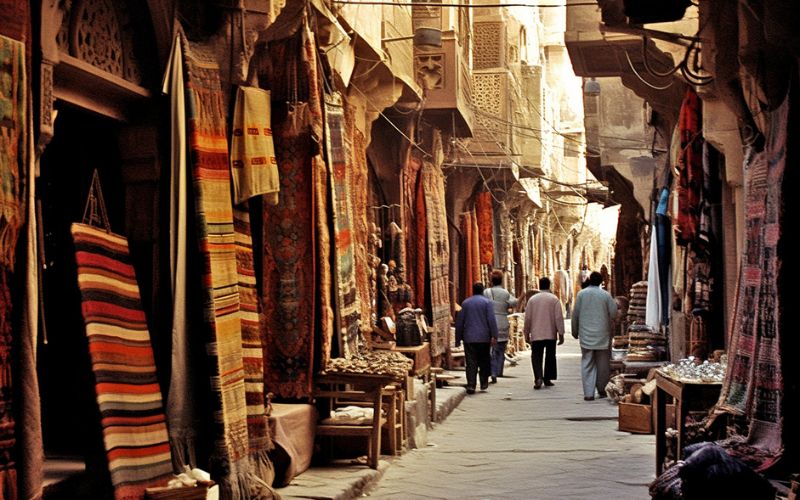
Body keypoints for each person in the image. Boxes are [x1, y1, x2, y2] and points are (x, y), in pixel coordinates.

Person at [571, 271, 618, 401]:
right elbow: (614, 313)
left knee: (587, 362)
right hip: (602, 335)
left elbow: (575, 315)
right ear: (601, 281)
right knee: (603, 364)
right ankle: (602, 389)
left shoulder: (581, 295)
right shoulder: (605, 295)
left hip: (586, 335)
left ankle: (588, 393)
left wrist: (575, 332)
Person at [455, 282, 499, 394]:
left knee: (471, 362)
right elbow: (491, 320)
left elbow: (460, 322)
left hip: (469, 338)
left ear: (473, 290)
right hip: (484, 338)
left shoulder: (465, 303)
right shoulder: (487, 303)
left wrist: (457, 339)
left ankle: (471, 385)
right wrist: (494, 335)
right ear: (483, 291)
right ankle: (484, 382)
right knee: (484, 360)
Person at [523, 277, 565, 390]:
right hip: (550, 333)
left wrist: (526, 333)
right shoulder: (554, 299)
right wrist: (561, 333)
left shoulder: (532, 300)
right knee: (550, 356)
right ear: (549, 285)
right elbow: (558, 318)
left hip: (536, 333)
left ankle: (538, 377)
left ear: (539, 285)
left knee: (536, 356)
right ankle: (547, 378)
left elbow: (527, 318)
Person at [483, 269, 518, 383]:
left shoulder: (486, 292)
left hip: (490, 323)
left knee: (491, 349)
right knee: (501, 348)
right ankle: (498, 371)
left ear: (491, 281)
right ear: (501, 281)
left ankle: (492, 372)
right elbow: (514, 303)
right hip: (503, 322)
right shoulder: (505, 293)